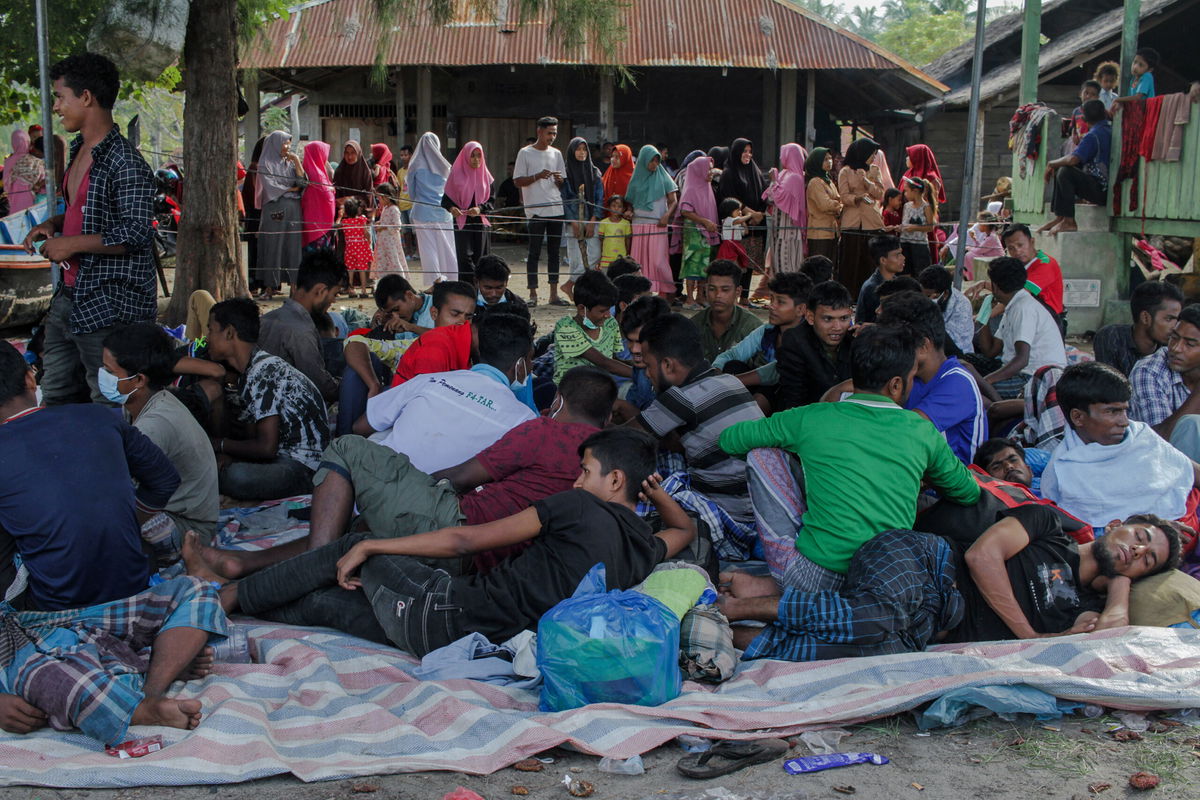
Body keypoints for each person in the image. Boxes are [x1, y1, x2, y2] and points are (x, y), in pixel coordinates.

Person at [193, 428, 695, 657]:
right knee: (323, 605)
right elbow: (683, 530)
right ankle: (247, 606)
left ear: (614, 481)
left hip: (443, 610)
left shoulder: (579, 505)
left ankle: (226, 596)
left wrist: (374, 549)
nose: (576, 481)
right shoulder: (643, 549)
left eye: (586, 472)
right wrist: (654, 494)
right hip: (466, 645)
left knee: (346, 548)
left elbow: (462, 542)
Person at [191, 366, 616, 575]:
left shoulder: (540, 429)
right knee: (358, 534)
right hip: (496, 552)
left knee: (346, 449)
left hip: (460, 526)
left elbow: (461, 479)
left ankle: (307, 569)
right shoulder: (606, 465)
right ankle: (244, 566)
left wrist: (409, 490)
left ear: (557, 402)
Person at [720, 324, 980, 591]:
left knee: (763, 455)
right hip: (883, 580)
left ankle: (780, 583)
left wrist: (809, 459)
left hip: (810, 578)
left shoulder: (811, 418)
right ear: (896, 384)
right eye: (913, 378)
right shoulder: (922, 431)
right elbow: (967, 492)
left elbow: (729, 439)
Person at [0, 341, 179, 611]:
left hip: (51, 602)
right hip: (132, 580)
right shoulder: (100, 416)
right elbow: (165, 478)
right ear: (29, 379)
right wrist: (128, 522)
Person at [22, 53, 157, 406]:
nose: (56, 107)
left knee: (110, 400)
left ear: (86, 98)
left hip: (109, 303)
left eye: (60, 96)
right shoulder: (80, 148)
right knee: (56, 395)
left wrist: (72, 245)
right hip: (70, 297)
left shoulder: (126, 162)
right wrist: (52, 226)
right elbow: (84, 211)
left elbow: (136, 233)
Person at [0, 576, 229, 744]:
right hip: (10, 654)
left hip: (38, 618)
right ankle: (142, 710)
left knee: (195, 590)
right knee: (65, 682)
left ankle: (152, 688)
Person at [948, 505, 1181, 642]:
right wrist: (1030, 636)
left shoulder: (1086, 607)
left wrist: (1121, 583)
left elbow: (1107, 643)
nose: (1138, 550)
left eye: (1148, 559)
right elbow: (981, 556)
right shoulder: (1047, 525)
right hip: (932, 569)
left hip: (936, 624)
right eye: (1139, 537)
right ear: (1113, 525)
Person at [719, 528, 962, 659]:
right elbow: (981, 556)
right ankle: (735, 608)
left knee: (881, 652)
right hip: (928, 563)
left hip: (926, 625)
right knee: (870, 616)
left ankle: (724, 633)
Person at [353, 313, 535, 472]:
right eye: (530, 359)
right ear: (520, 365)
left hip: (370, 488)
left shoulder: (430, 380)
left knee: (384, 433)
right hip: (432, 503)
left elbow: (361, 427)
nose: (532, 366)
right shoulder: (524, 421)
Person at [627, 314, 764, 523]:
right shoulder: (729, 381)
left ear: (667, 365)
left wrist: (621, 408)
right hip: (759, 507)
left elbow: (624, 437)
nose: (647, 374)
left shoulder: (682, 398)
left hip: (728, 512)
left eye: (648, 366)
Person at [1043, 362, 1199, 541]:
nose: (1124, 421)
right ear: (1078, 417)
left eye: (1125, 410)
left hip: (1189, 523)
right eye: (1112, 412)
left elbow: (1190, 470)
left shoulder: (1141, 434)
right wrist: (1154, 531)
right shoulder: (1063, 471)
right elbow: (1092, 536)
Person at [101, 323, 219, 553]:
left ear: (139, 380)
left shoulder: (154, 425)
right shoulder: (141, 402)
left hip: (188, 530)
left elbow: (125, 491)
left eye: (110, 372)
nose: (103, 376)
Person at [206, 298, 331, 501]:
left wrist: (218, 445)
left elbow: (266, 447)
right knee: (222, 469)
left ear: (229, 333)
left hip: (305, 469)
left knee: (232, 477)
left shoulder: (262, 371)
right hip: (286, 460)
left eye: (211, 330)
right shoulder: (252, 370)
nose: (207, 337)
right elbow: (254, 440)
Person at [879, 291, 988, 463]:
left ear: (923, 345)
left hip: (953, 486)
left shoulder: (957, 382)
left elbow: (903, 432)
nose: (890, 352)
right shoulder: (910, 375)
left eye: (896, 345)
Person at [258, 248, 347, 404]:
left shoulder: (267, 318)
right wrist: (347, 386)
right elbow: (322, 386)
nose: (333, 301)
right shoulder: (301, 331)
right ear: (321, 290)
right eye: (334, 294)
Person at [714, 272, 812, 406]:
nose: (772, 306)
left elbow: (778, 371)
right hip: (760, 386)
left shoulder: (808, 336)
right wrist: (716, 371)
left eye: (780, 302)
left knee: (772, 387)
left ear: (801, 309)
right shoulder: (768, 331)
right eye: (772, 299)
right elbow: (733, 354)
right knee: (732, 365)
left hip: (791, 397)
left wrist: (733, 381)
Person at [976, 257, 1067, 399]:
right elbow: (990, 351)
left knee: (976, 390)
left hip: (1036, 378)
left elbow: (1022, 359)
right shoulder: (1013, 305)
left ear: (996, 286)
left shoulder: (1023, 308)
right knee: (968, 365)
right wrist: (983, 316)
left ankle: (1001, 409)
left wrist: (987, 381)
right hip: (1020, 371)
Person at [1131, 304, 1200, 461]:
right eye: (1174, 338)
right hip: (1156, 465)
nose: (1175, 348)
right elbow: (1156, 443)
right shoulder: (1149, 371)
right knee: (1191, 424)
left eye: (1189, 344)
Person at [775, 280, 855, 410]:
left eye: (844, 318)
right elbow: (794, 398)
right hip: (806, 416)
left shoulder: (855, 338)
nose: (838, 327)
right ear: (810, 317)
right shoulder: (795, 341)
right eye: (828, 319)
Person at [384, 281, 480, 387]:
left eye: (469, 317)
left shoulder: (462, 345)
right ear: (434, 313)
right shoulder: (432, 349)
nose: (462, 322)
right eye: (455, 314)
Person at [514, 117, 568, 306]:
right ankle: (533, 294)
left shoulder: (557, 154)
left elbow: (563, 182)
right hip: (535, 211)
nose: (552, 137)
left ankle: (553, 294)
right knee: (534, 252)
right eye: (549, 133)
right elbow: (518, 181)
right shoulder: (525, 153)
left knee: (555, 253)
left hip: (556, 208)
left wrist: (559, 180)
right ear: (539, 131)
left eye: (554, 133)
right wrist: (537, 176)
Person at [1040, 100, 1111, 235]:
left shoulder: (1093, 135)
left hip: (1102, 190)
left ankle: (1069, 221)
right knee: (1062, 167)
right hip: (1105, 188)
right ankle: (1061, 217)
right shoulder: (1107, 130)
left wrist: (1051, 164)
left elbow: (1073, 159)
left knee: (1065, 171)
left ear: (1084, 119)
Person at [552, 270, 631, 384]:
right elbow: (604, 362)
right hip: (572, 393)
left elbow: (613, 359)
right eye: (602, 311)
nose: (608, 315)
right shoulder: (566, 328)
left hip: (600, 390)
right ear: (581, 309)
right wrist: (642, 374)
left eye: (609, 309)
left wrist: (642, 368)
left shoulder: (610, 323)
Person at [254, 130, 306, 295]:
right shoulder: (265, 164)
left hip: (293, 210)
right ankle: (270, 286)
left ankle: (294, 286)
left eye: (289, 144)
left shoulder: (289, 163)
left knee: (293, 246)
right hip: (274, 211)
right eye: (285, 143)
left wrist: (297, 162)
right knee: (273, 245)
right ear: (275, 144)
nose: (287, 147)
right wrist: (291, 189)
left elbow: (302, 183)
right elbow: (271, 188)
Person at [1093, 280, 1183, 375]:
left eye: (1178, 320)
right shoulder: (1112, 337)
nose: (1175, 327)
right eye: (1169, 319)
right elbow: (1108, 382)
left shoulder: (1172, 347)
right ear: (1145, 318)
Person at [625, 145, 679, 299]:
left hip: (658, 225)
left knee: (658, 261)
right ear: (643, 160)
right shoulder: (635, 179)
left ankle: (664, 293)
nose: (654, 164)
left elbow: (673, 201)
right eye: (651, 161)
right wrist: (629, 211)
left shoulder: (663, 176)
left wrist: (667, 215)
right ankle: (640, 294)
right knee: (639, 260)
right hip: (639, 225)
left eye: (657, 161)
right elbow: (630, 202)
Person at [716, 138, 769, 291]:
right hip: (739, 224)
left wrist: (759, 215)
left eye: (750, 151)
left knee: (750, 261)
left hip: (755, 225)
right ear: (736, 152)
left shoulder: (755, 171)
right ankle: (734, 293)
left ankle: (745, 297)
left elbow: (763, 194)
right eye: (744, 151)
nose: (748, 155)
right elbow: (729, 198)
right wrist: (750, 214)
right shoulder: (729, 173)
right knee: (737, 263)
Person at [836, 138, 885, 296]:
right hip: (852, 221)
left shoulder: (874, 170)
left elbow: (880, 193)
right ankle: (849, 295)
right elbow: (843, 196)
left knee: (870, 261)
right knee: (850, 260)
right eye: (872, 154)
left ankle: (870, 294)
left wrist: (866, 181)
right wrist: (857, 198)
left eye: (875, 154)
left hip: (872, 221)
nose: (873, 157)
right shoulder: (846, 171)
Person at [442, 141, 494, 284]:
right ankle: (468, 287)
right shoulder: (455, 175)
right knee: (463, 257)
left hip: (480, 222)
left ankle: (481, 288)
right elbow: (446, 200)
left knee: (481, 257)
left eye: (479, 156)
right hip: (461, 222)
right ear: (465, 156)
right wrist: (452, 208)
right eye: (472, 156)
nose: (476, 160)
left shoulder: (486, 176)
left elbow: (492, 201)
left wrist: (480, 208)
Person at [407, 132, 456, 285]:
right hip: (444, 213)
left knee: (428, 249)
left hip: (422, 212)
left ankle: (435, 281)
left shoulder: (414, 165)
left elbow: (412, 193)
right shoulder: (445, 165)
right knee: (447, 248)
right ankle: (452, 279)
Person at [690, 260, 762, 363]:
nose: (718, 295)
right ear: (705, 289)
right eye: (712, 289)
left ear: (738, 291)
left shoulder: (753, 328)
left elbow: (765, 372)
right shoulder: (693, 325)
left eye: (725, 290)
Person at [559, 136, 604, 300]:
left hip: (591, 217)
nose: (582, 152)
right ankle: (580, 293)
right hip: (573, 221)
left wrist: (593, 219)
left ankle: (570, 283)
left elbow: (599, 198)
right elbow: (564, 199)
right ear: (572, 151)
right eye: (578, 149)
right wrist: (572, 221)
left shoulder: (594, 172)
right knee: (575, 258)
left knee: (595, 254)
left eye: (584, 149)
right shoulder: (565, 173)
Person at [615, 294, 673, 419]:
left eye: (641, 342)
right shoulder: (641, 367)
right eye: (630, 341)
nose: (634, 349)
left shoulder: (677, 375)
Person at [678, 156, 720, 308]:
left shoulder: (707, 187)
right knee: (692, 264)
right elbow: (685, 211)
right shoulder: (691, 188)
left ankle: (701, 296)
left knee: (704, 265)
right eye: (707, 169)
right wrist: (704, 222)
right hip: (695, 232)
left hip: (706, 232)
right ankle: (690, 298)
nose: (710, 172)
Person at [1001, 223, 1064, 319]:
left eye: (1020, 245)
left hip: (1049, 319)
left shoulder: (1045, 264)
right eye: (1011, 248)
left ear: (1032, 242)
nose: (1017, 251)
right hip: (1030, 315)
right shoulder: (1018, 264)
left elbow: (1018, 295)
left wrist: (985, 316)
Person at [765, 142, 808, 274]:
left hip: (788, 233)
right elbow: (769, 198)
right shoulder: (784, 174)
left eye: (783, 154)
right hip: (778, 231)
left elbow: (774, 198)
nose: (780, 157)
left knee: (787, 269)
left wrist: (773, 180)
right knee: (777, 268)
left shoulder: (795, 178)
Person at [918, 265, 975, 355]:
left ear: (945, 294)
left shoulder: (961, 306)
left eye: (929, 296)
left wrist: (930, 309)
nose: (925, 299)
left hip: (959, 356)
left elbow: (950, 343)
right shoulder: (923, 297)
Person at [803, 147, 842, 267]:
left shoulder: (827, 180)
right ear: (816, 161)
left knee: (831, 266)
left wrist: (837, 204)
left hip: (832, 230)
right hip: (819, 232)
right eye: (825, 159)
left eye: (830, 158)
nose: (829, 161)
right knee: (819, 267)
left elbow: (837, 199)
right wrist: (839, 205)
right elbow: (824, 205)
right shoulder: (815, 182)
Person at [855, 235, 905, 325]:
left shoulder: (896, 281)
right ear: (883, 260)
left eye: (901, 253)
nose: (903, 258)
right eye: (897, 255)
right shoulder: (872, 287)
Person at [300, 140, 336, 252]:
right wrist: (331, 190)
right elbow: (326, 196)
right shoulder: (317, 174)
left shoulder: (307, 168)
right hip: (320, 225)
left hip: (312, 222)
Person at [898, 177, 936, 275]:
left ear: (915, 191)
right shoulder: (906, 206)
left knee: (920, 273)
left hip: (919, 245)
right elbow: (905, 223)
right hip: (905, 243)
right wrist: (898, 228)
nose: (905, 194)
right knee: (905, 272)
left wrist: (914, 228)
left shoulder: (926, 207)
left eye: (906, 191)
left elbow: (930, 227)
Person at [373, 182, 409, 279]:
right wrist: (380, 223)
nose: (379, 200)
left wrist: (383, 227)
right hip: (382, 241)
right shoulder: (385, 208)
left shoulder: (394, 209)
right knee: (383, 261)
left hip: (391, 241)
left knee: (394, 260)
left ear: (386, 197)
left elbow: (397, 225)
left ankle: (400, 281)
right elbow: (385, 220)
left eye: (379, 198)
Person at [340, 197, 373, 297]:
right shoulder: (361, 220)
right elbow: (366, 233)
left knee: (350, 270)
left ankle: (351, 290)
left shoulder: (345, 222)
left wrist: (339, 216)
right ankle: (363, 290)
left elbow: (337, 226)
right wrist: (369, 241)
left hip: (350, 249)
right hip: (361, 248)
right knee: (362, 269)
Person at [332, 140, 374, 216]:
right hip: (343, 213)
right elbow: (335, 194)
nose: (349, 157)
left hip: (360, 214)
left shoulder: (365, 172)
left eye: (353, 153)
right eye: (347, 153)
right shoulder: (339, 171)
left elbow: (368, 195)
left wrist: (350, 199)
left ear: (358, 153)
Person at [3, 130, 39, 214]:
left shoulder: (8, 161)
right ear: (28, 141)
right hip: (34, 202)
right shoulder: (34, 160)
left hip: (14, 201)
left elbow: (6, 185)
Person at [598, 194, 633, 272]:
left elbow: (627, 240)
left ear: (623, 209)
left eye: (619, 206)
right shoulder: (603, 222)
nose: (616, 208)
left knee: (619, 280)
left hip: (621, 258)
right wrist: (600, 256)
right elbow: (601, 241)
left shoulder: (626, 223)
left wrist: (627, 253)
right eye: (613, 206)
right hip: (606, 259)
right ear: (608, 207)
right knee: (606, 281)